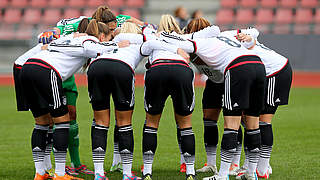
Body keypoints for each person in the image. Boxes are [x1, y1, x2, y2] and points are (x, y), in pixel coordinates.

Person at [18, 19, 126, 180]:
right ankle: (60, 174)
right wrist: (117, 45)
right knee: (62, 122)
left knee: (41, 123)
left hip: (28, 68)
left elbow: (47, 44)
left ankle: (40, 173)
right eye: (110, 37)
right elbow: (92, 48)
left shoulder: (72, 37)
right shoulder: (90, 39)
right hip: (46, 70)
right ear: (102, 36)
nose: (110, 40)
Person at [160, 29, 267, 180]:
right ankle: (251, 173)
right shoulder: (226, 34)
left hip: (238, 68)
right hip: (258, 65)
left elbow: (173, 40)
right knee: (253, 123)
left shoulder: (200, 43)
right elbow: (254, 31)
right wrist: (249, 36)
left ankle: (222, 175)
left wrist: (161, 34)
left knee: (231, 124)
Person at [140, 15, 197, 180]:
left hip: (158, 69)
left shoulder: (153, 35)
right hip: (182, 71)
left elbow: (143, 49)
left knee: (151, 123)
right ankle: (190, 172)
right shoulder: (184, 38)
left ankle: (147, 171)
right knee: (185, 124)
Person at [230, 30, 292, 180]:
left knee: (263, 121)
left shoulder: (232, 47)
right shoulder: (234, 43)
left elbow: (253, 33)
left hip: (275, 72)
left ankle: (262, 168)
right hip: (265, 73)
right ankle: (251, 164)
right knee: (249, 119)